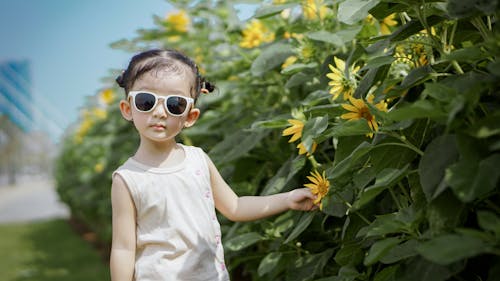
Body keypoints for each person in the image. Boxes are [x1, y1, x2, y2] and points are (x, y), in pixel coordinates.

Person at [110, 48, 317, 281]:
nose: (159, 112)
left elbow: (235, 207)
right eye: (146, 101)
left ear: (190, 116)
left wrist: (287, 199)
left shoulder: (197, 160)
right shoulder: (127, 179)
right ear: (128, 109)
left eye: (174, 104)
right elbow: (123, 248)